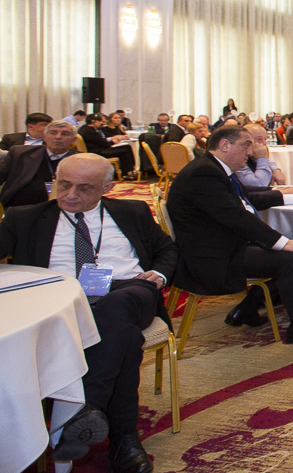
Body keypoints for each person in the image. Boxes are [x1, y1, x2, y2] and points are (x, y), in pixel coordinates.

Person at [0, 153, 175, 472]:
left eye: (84, 188)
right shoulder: (24, 217)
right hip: (60, 299)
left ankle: (84, 409)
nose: (70, 195)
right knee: (125, 339)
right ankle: (121, 437)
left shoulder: (132, 211)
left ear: (107, 188)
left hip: (129, 289)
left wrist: (160, 274)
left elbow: (167, 248)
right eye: (63, 184)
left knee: (117, 306)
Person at [168, 126, 293, 342]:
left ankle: (247, 307)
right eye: (245, 145)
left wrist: (291, 198)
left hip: (221, 243)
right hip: (211, 256)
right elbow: (235, 216)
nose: (250, 152)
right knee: (290, 259)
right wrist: (282, 242)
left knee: (291, 249)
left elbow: (247, 199)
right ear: (224, 145)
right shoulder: (203, 173)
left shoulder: (212, 168)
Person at [0, 120, 77, 207]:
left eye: (65, 134)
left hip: (63, 208)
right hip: (19, 207)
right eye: (53, 133)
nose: (58, 137)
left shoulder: (81, 161)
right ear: (44, 137)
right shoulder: (20, 154)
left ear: (73, 140)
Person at [79, 113, 136, 179]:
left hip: (96, 149)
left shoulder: (85, 128)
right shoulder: (90, 131)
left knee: (126, 147)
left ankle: (127, 171)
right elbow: (103, 142)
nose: (101, 123)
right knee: (126, 149)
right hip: (97, 152)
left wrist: (111, 141)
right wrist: (112, 143)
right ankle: (126, 173)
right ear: (94, 121)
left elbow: (101, 140)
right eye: (99, 121)